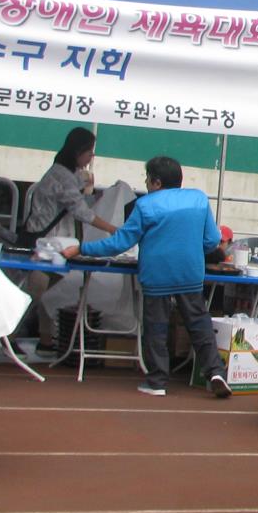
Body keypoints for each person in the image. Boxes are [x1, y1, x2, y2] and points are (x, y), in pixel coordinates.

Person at [64, 156, 228, 400]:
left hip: (157, 274)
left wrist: (82, 248)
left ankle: (157, 381)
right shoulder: (198, 200)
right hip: (190, 271)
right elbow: (212, 241)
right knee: (199, 324)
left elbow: (119, 243)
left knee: (156, 328)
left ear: (156, 182)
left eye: (147, 179)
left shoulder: (146, 205)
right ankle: (215, 372)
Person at [19, 127, 119, 355]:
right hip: (46, 245)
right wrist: (113, 229)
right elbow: (81, 211)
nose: (91, 157)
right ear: (78, 151)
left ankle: (44, 340)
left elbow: (78, 203)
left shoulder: (66, 173)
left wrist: (90, 190)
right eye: (89, 152)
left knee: (41, 294)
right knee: (35, 293)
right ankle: (10, 334)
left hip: (52, 243)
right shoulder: (63, 176)